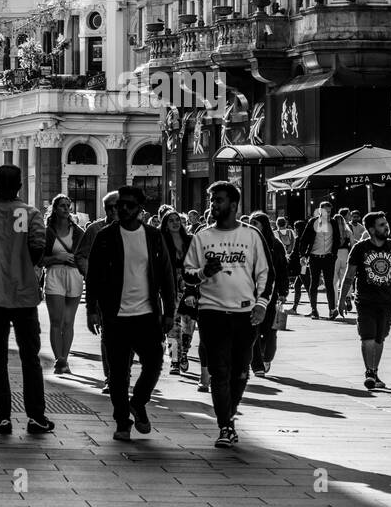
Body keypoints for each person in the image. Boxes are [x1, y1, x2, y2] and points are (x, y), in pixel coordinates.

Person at [85, 186, 177, 441]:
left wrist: (169, 311)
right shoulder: (105, 236)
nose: (122, 209)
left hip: (147, 314)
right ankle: (122, 422)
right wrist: (91, 309)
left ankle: (138, 402)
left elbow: (167, 276)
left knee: (155, 362)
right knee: (117, 373)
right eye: (119, 205)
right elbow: (93, 276)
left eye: (128, 205)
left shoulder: (153, 236)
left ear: (139, 209)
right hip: (115, 316)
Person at [183, 181, 270, 449]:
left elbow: (266, 273)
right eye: (211, 201)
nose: (213, 205)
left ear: (233, 205)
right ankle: (225, 425)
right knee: (220, 371)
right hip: (212, 312)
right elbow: (187, 273)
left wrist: (261, 304)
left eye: (218, 200)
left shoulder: (252, 235)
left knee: (240, 371)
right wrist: (202, 274)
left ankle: (229, 415)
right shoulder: (202, 238)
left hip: (245, 314)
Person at [0, 165, 52, 436]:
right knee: (30, 358)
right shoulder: (30, 214)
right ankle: (36, 416)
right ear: (19, 186)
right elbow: (39, 246)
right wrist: (26, 267)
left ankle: (3, 417)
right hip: (24, 295)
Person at [339, 212, 391, 390]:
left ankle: (374, 370)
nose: (386, 227)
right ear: (372, 229)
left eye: (386, 224)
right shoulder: (359, 248)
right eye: (381, 225)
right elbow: (349, 276)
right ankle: (369, 372)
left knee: (380, 338)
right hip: (365, 300)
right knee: (367, 337)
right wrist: (342, 299)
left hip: (387, 300)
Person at [77, 191, 120, 394]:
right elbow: (82, 256)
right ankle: (111, 377)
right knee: (108, 336)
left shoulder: (136, 229)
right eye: (109, 207)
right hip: (105, 292)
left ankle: (122, 372)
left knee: (127, 338)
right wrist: (92, 276)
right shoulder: (95, 230)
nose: (114, 210)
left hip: (131, 292)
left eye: (117, 206)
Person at [42, 194, 86, 374]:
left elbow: (85, 257)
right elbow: (40, 260)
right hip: (54, 274)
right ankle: (58, 359)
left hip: (74, 275)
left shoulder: (78, 232)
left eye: (68, 205)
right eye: (62, 206)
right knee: (56, 321)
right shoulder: (48, 232)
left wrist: (79, 262)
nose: (66, 208)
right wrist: (56, 257)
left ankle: (64, 359)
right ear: (55, 209)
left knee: (68, 322)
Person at [248, 212, 290, 378]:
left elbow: (281, 271)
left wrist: (283, 291)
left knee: (270, 330)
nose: (251, 225)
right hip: (249, 293)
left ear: (263, 225)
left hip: (270, 293)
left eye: (255, 223)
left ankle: (267, 356)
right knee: (253, 329)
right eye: (250, 222)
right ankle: (256, 364)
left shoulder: (275, 244)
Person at [292, 201, 346, 319]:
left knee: (329, 284)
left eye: (330, 211)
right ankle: (314, 310)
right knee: (314, 283)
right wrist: (303, 255)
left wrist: (334, 254)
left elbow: (337, 239)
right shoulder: (313, 222)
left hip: (328, 258)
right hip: (314, 257)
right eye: (326, 211)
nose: (328, 213)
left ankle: (332, 309)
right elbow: (304, 239)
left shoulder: (333, 222)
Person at [160, 210, 194, 375]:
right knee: (173, 323)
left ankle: (184, 353)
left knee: (189, 323)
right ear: (165, 224)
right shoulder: (161, 241)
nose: (175, 222)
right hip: (169, 284)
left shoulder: (190, 240)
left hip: (190, 285)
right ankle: (175, 359)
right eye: (170, 220)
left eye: (177, 220)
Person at [288, 219, 308, 313]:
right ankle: (294, 308)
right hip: (305, 263)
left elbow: (295, 252)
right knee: (297, 285)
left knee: (307, 286)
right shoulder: (306, 238)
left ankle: (314, 308)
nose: (294, 230)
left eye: (295, 228)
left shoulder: (298, 238)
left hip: (302, 265)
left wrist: (289, 258)